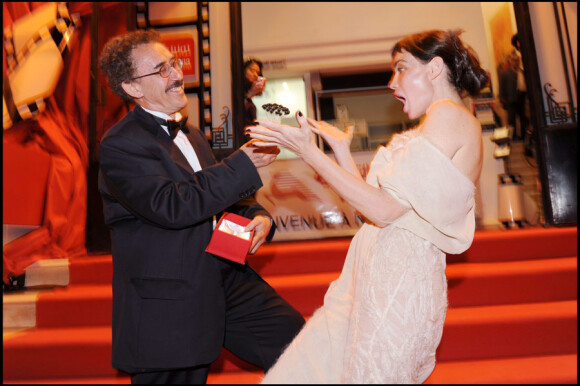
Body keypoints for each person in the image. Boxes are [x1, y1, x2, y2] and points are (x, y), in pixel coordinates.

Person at [247, 29, 489, 383]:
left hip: (397, 291)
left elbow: (384, 211)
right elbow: (369, 209)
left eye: (401, 68)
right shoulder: (429, 126)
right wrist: (341, 150)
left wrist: (308, 151)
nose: (393, 82)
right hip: (370, 282)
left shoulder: (449, 116)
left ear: (435, 68)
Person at [98, 29, 304, 384]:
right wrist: (243, 163)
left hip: (226, 276)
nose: (178, 75)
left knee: (303, 348)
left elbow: (218, 196)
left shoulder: (191, 134)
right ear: (132, 87)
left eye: (175, 64)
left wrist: (256, 216)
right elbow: (173, 205)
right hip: (170, 298)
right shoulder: (120, 145)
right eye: (161, 69)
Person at [499, 51, 528, 141]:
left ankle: (524, 136)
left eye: (517, 60)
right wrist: (502, 98)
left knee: (523, 118)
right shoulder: (505, 73)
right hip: (510, 100)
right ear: (510, 61)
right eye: (514, 60)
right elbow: (501, 86)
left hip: (521, 99)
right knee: (511, 121)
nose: (516, 62)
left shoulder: (522, 72)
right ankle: (513, 137)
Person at [243, 57, 267, 130]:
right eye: (252, 70)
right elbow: (236, 113)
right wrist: (251, 93)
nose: (255, 75)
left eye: (258, 73)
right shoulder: (236, 91)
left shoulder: (247, 94)